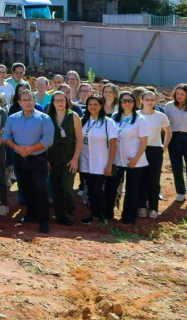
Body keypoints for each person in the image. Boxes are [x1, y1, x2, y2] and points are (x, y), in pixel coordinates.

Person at [2, 89, 54, 233]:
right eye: (24, 100)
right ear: (19, 102)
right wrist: (18, 149)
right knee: (26, 188)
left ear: (34, 101)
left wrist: (30, 149)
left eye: (30, 99)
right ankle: (31, 215)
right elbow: (6, 136)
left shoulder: (44, 118)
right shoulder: (12, 118)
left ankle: (43, 220)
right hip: (20, 159)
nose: (28, 102)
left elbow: (48, 139)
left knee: (41, 189)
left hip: (38, 159)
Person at [45, 91, 83, 226]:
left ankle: (67, 215)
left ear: (67, 101)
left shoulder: (74, 116)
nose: (59, 103)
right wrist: (47, 159)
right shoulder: (49, 117)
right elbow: (45, 139)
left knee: (66, 186)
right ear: (53, 102)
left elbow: (79, 139)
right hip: (53, 156)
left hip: (69, 156)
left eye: (62, 100)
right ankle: (59, 215)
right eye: (56, 100)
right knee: (55, 186)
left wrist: (75, 159)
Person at [79, 95, 118, 225]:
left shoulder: (108, 122)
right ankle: (93, 215)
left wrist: (109, 165)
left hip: (101, 162)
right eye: (90, 104)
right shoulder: (83, 121)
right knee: (90, 189)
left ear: (101, 106)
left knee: (97, 189)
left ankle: (102, 217)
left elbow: (113, 145)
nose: (92, 106)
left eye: (96, 104)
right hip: (85, 161)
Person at [112, 92, 149, 225]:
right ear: (120, 103)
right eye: (124, 101)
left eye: (130, 101)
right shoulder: (115, 117)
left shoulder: (140, 119)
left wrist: (136, 158)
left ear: (134, 102)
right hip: (117, 159)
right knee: (112, 187)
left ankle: (128, 217)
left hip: (134, 160)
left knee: (132, 189)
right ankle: (108, 214)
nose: (127, 103)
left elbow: (144, 141)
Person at [138, 90, 171, 218]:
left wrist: (165, 146)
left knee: (154, 180)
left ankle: (153, 208)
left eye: (152, 99)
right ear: (141, 100)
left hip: (155, 150)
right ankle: (141, 207)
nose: (149, 102)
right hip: (139, 150)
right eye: (147, 99)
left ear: (155, 101)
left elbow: (168, 131)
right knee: (141, 179)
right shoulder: (135, 115)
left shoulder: (160, 116)